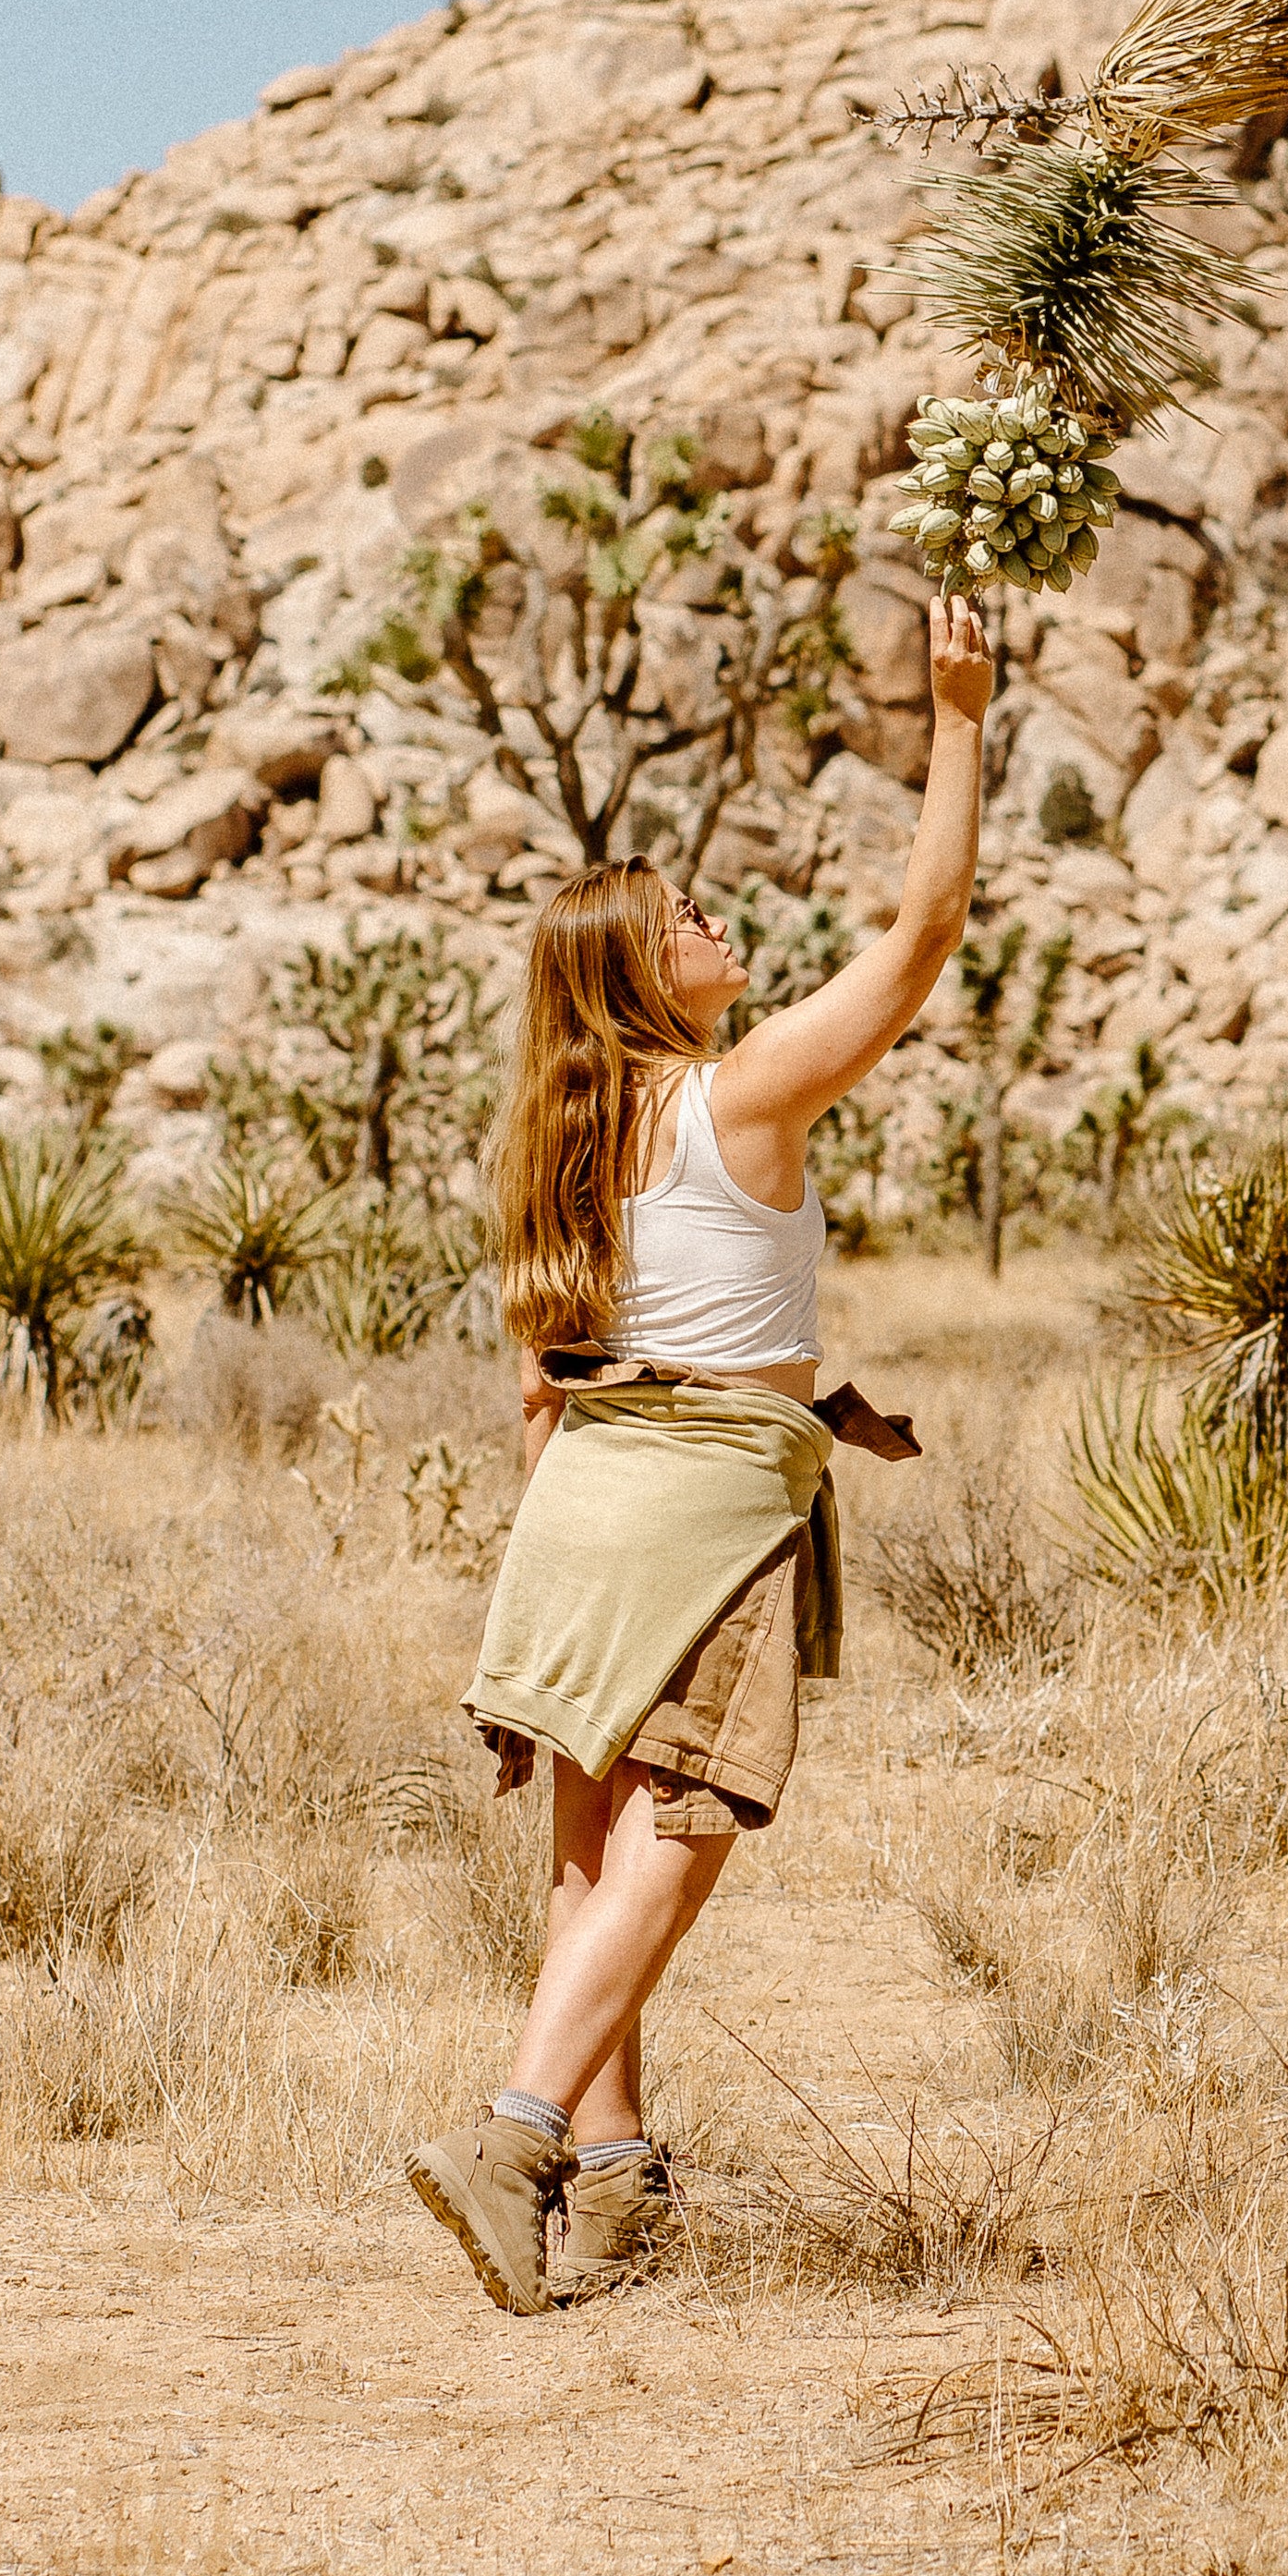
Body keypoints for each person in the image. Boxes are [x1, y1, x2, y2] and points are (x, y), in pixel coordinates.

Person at [407, 591, 992, 2314]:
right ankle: (514, 2132)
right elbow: (925, 934)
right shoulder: (738, 1095)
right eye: (688, 920)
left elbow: (583, 1365)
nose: (718, 922)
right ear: (640, 977)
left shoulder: (571, 1145)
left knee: (592, 1851)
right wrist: (955, 715)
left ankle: (610, 2185)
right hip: (706, 1504)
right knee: (694, 1818)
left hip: (590, 1490)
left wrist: (819, 1402)